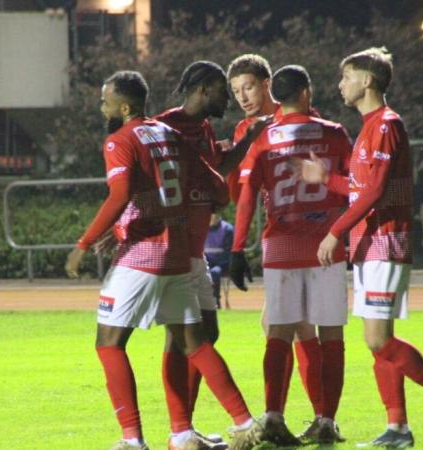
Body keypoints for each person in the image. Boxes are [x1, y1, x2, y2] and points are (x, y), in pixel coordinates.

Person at [64, 70, 265, 450]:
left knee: (108, 342)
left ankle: (132, 440)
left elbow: (120, 193)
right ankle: (243, 423)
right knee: (195, 343)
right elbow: (220, 190)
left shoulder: (119, 140)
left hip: (142, 255)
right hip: (180, 256)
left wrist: (84, 243)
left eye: (106, 99)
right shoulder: (169, 133)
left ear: (124, 106)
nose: (102, 105)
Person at [293, 47, 423, 449]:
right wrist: (327, 178)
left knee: (377, 339)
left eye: (346, 76)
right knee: (377, 341)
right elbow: (359, 187)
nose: (340, 84)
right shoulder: (369, 128)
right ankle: (398, 429)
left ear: (366, 80)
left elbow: (374, 192)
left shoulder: (386, 124)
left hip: (386, 241)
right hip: (369, 244)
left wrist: (334, 231)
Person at [230, 65, 351, 445]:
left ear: (274, 94)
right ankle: (326, 421)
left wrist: (236, 248)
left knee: (278, 333)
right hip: (326, 245)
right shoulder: (333, 133)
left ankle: (273, 417)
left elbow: (247, 195)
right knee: (330, 335)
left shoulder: (262, 137)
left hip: (280, 246)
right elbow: (356, 187)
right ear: (307, 91)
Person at [153, 60, 269, 450]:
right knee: (186, 338)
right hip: (170, 250)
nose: (229, 98)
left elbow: (216, 167)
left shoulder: (202, 128)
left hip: (194, 251)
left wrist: (248, 139)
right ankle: (196, 429)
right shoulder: (164, 126)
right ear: (202, 88)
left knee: (202, 335)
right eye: (222, 89)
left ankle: (183, 431)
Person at [204, 213, 234, 308]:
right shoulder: (201, 227)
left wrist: (217, 263)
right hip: (204, 263)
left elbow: (228, 253)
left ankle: (215, 300)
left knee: (214, 272)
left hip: (222, 264)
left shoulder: (227, 229)